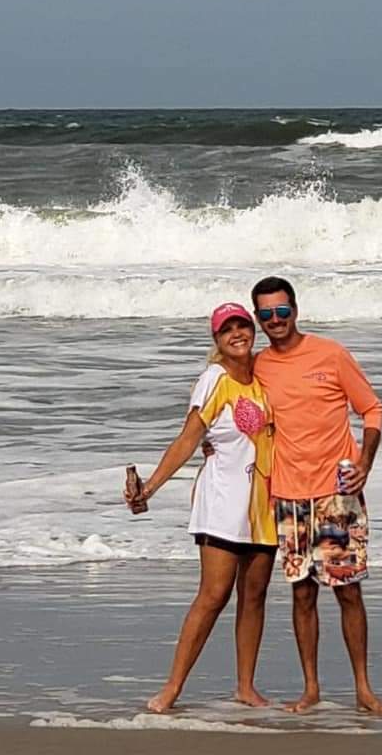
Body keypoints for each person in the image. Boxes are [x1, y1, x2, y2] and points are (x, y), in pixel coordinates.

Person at [251, 275, 382, 715]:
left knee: (348, 592)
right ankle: (311, 688)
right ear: (258, 319)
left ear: (296, 310)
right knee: (302, 594)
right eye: (267, 314)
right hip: (289, 497)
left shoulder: (331, 355)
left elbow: (371, 408)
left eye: (282, 311)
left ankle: (363, 689)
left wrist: (365, 464)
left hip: (336, 494)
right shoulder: (258, 366)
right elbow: (239, 414)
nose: (276, 320)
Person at [124, 302, 277, 713]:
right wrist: (150, 488)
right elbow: (189, 438)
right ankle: (172, 688)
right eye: (226, 330)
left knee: (255, 595)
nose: (236, 334)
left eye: (242, 325)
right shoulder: (215, 378)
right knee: (214, 594)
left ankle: (245, 686)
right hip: (223, 501)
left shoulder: (267, 375)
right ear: (217, 340)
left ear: (253, 330)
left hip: (265, 502)